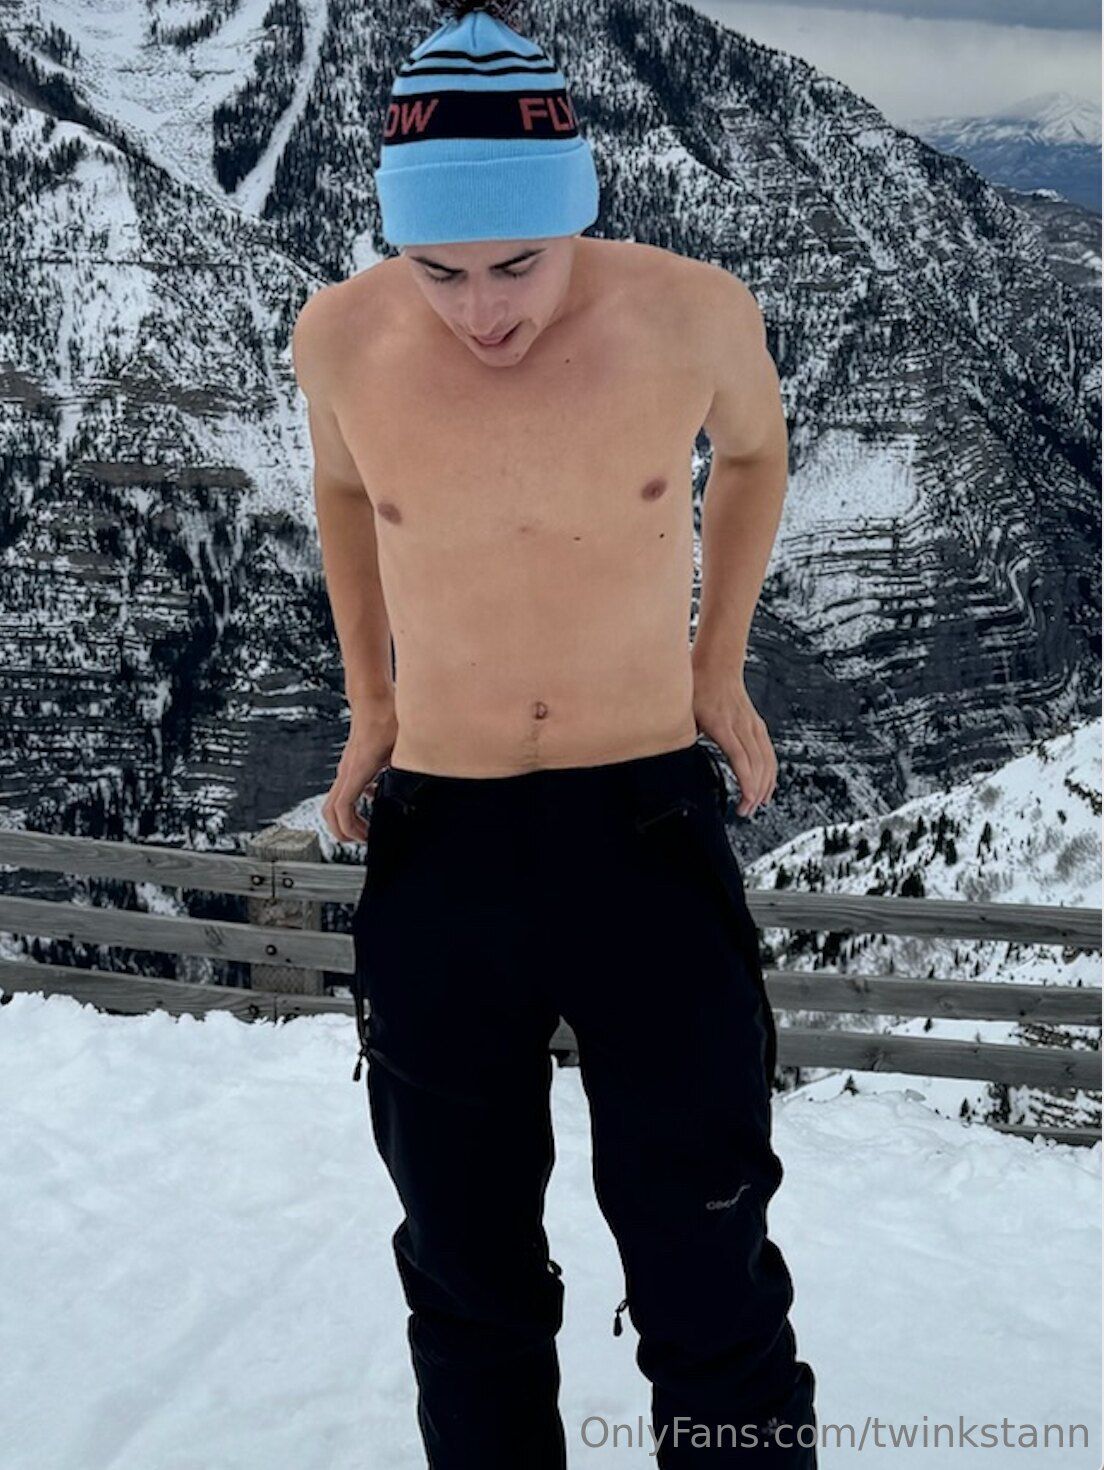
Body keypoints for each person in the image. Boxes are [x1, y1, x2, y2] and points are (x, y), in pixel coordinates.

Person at [291, 2, 818, 1464]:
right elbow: (345, 492)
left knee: (707, 1252)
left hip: (641, 817)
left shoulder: (692, 313)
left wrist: (718, 667)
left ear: (577, 207)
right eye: (438, 269)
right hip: (443, 831)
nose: (481, 311)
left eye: (517, 262)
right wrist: (373, 704)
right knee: (465, 1273)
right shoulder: (339, 337)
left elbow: (757, 450)